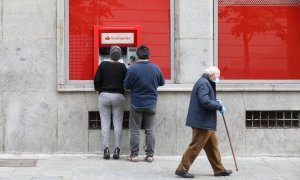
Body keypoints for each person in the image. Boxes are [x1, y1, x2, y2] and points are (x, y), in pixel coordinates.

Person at [175, 66, 232, 178]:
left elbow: (206, 98)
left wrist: (215, 101)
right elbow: (204, 101)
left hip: (206, 122)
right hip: (202, 123)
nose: (219, 79)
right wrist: (218, 105)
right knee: (195, 147)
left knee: (213, 146)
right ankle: (182, 169)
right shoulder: (204, 83)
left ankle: (219, 169)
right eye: (218, 76)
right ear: (212, 75)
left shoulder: (206, 82)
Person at [123, 45, 165, 163]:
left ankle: (134, 155)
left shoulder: (133, 69)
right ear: (148, 55)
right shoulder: (155, 68)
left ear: (137, 55)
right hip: (151, 104)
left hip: (137, 104)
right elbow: (161, 82)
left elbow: (126, 86)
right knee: (150, 130)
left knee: (135, 130)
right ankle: (150, 155)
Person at [94, 46, 127, 160]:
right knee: (118, 123)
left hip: (104, 96)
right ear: (120, 56)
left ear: (110, 54)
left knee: (105, 123)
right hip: (118, 96)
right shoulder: (123, 66)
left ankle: (106, 149)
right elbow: (127, 82)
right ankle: (117, 149)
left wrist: (98, 90)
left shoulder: (103, 64)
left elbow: (97, 79)